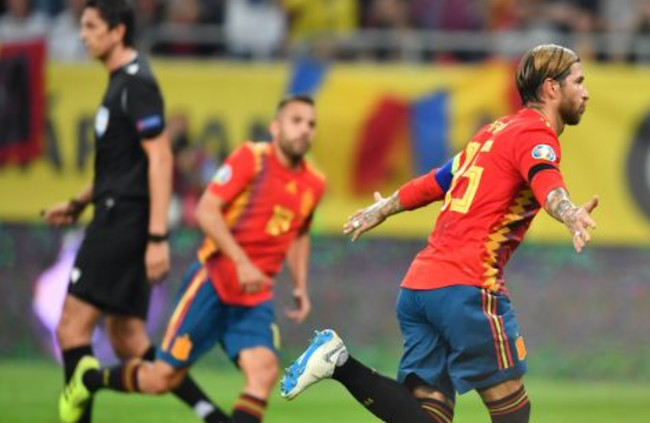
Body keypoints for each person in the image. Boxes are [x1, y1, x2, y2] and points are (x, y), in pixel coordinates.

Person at [279, 44, 598, 423]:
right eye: (579, 81)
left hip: (421, 287)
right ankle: (337, 362)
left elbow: (437, 181)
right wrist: (570, 214)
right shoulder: (535, 135)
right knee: (514, 412)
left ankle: (339, 362)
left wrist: (384, 207)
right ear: (551, 88)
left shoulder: (492, 133)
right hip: (468, 288)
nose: (585, 92)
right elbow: (547, 181)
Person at [59, 94, 326, 423]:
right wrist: (242, 262)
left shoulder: (314, 183)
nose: (305, 129)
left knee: (264, 372)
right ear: (275, 127)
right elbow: (206, 211)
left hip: (255, 296)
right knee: (161, 379)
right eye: (296, 121)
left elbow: (299, 233)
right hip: (213, 282)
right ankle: (88, 381)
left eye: (311, 124)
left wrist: (300, 284)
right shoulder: (252, 159)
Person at [44, 1, 225, 422]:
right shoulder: (120, 84)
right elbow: (124, 166)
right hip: (120, 215)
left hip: (121, 221)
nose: (83, 35)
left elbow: (160, 158)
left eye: (91, 26)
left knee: (72, 327)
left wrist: (157, 238)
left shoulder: (136, 83)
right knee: (127, 338)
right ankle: (212, 415)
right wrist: (79, 202)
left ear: (118, 31)